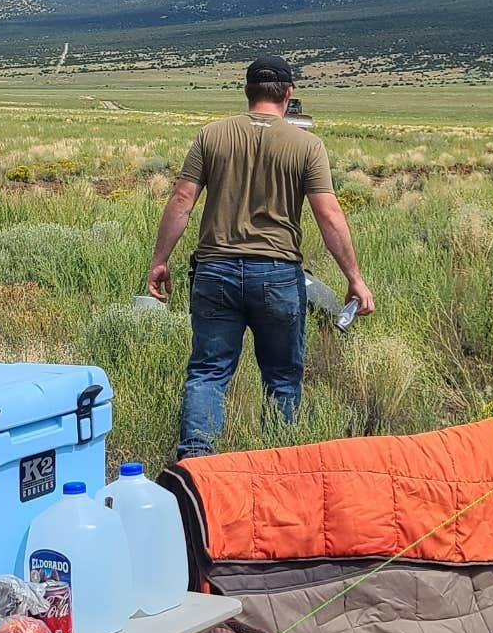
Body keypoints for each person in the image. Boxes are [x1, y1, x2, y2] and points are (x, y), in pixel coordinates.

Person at [149, 56, 374, 458]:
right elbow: (328, 215)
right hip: (278, 274)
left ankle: (196, 467)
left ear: (247, 91)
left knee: (208, 373)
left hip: (215, 271)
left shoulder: (211, 135)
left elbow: (182, 199)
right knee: (282, 379)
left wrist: (160, 260)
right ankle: (277, 467)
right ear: (288, 93)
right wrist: (354, 278)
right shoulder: (306, 145)